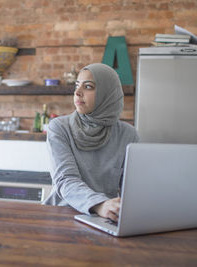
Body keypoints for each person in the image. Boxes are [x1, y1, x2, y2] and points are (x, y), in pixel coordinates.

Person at [43, 63, 139, 222]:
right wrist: (100, 204)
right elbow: (66, 180)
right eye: (77, 85)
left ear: (107, 94)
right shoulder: (59, 128)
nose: (78, 92)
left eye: (88, 87)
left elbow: (132, 191)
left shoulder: (128, 135)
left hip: (106, 218)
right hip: (62, 215)